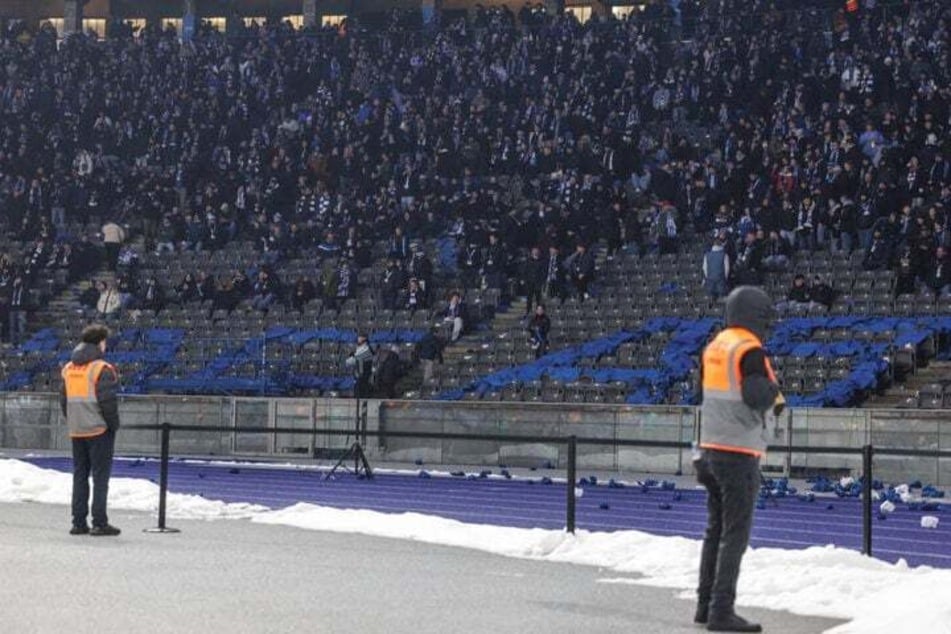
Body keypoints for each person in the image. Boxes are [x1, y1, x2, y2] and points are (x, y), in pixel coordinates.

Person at [694, 286, 783, 632]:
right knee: (735, 534)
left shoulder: (716, 345)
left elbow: (706, 393)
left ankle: (704, 606)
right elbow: (755, 396)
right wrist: (774, 388)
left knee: (715, 530)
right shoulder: (750, 349)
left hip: (710, 447)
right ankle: (721, 612)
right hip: (739, 452)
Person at [60, 324, 121, 536]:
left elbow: (64, 400)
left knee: (79, 476)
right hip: (98, 429)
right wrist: (113, 425)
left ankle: (78, 522)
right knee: (100, 478)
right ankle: (99, 522)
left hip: (77, 430)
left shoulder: (68, 368)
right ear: (100, 342)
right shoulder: (101, 369)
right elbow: (108, 403)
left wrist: (73, 421)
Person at [346, 334, 375, 399]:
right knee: (358, 389)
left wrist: (352, 356)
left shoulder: (366, 349)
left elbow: (352, 360)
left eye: (360, 338)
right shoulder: (360, 349)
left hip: (364, 374)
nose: (358, 340)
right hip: (360, 374)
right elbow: (350, 361)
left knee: (362, 390)